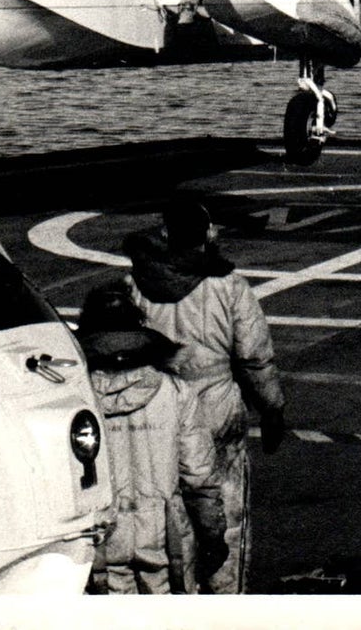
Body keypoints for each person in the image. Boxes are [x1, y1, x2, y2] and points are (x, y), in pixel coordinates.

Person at [124, 199, 285, 594]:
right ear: (208, 234)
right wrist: (272, 408)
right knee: (225, 508)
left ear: (165, 233)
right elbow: (254, 356)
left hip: (157, 405)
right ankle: (224, 599)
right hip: (216, 407)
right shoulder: (228, 287)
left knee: (166, 507)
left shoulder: (135, 284)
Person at [76, 283, 228, 594]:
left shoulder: (78, 399)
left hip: (101, 539)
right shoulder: (174, 392)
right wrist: (213, 536)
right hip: (165, 538)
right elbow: (199, 477)